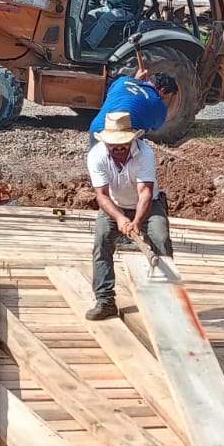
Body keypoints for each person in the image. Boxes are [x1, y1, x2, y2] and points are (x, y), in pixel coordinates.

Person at [85, 111, 173, 321]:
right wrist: (120, 218)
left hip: (148, 205)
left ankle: (166, 300)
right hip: (114, 205)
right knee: (101, 243)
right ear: (106, 143)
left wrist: (136, 222)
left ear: (131, 140)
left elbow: (145, 193)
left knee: (161, 240)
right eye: (115, 146)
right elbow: (102, 196)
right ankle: (105, 300)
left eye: (124, 145)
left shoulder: (145, 154)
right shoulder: (96, 156)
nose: (120, 149)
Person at [88, 64, 178, 143]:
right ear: (162, 90)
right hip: (124, 138)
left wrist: (135, 81)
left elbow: (112, 94)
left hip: (96, 130)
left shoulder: (122, 81)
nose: (164, 100)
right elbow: (155, 127)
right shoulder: (159, 105)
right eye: (166, 97)